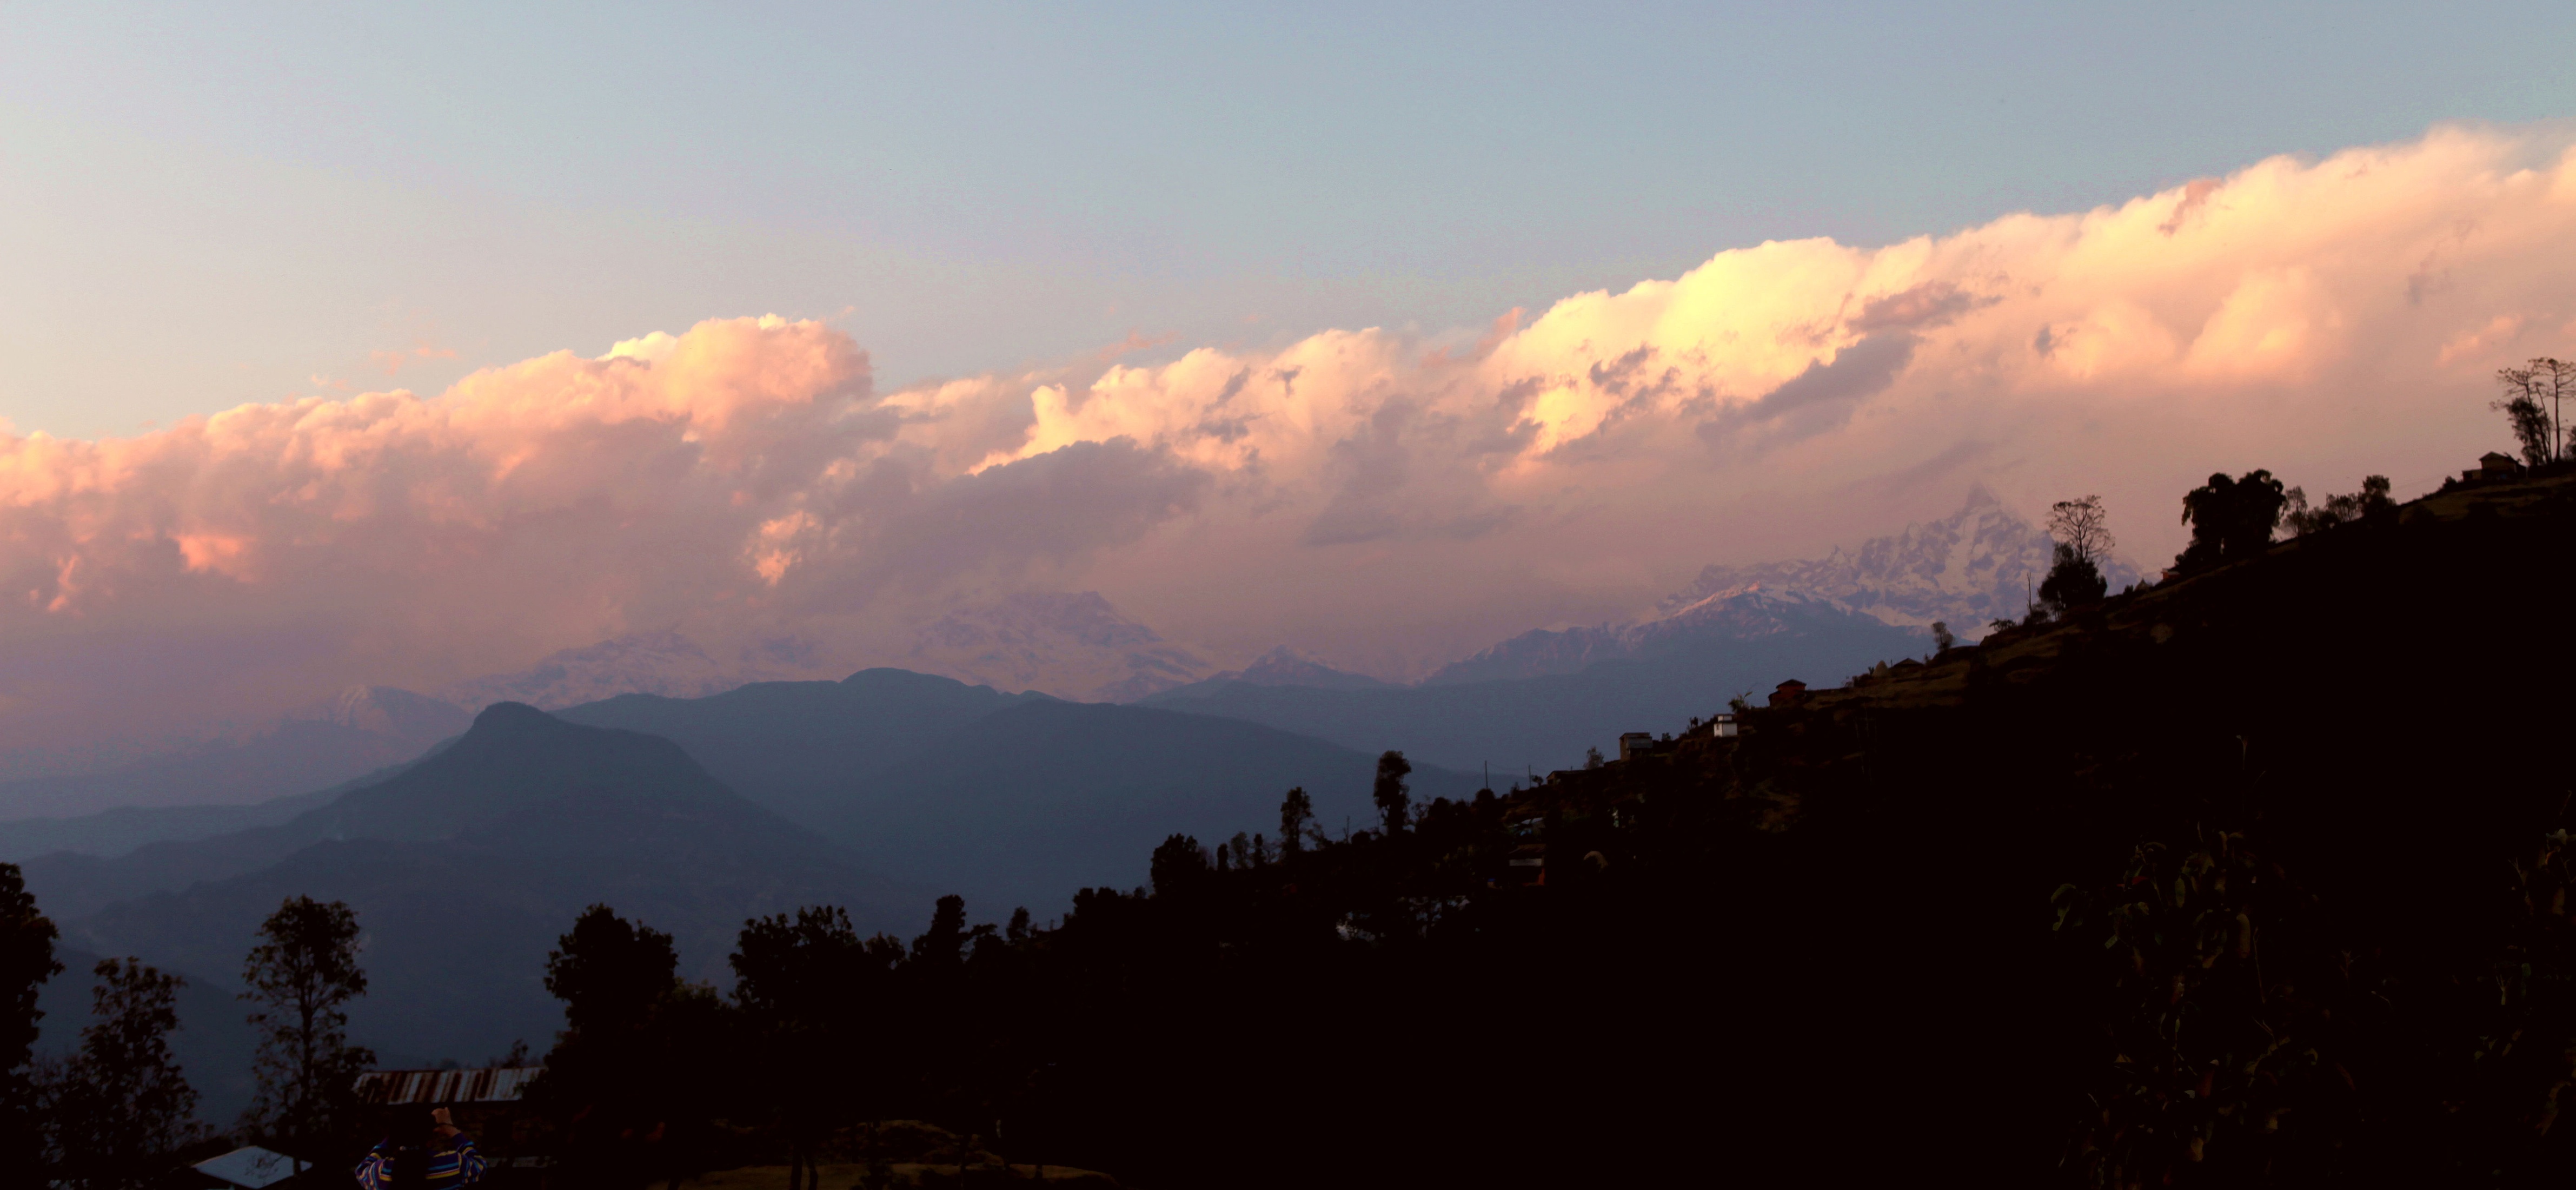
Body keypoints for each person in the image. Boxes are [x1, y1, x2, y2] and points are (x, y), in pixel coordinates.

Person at [355, 1106, 487, 1188]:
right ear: (431, 1138)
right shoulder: (453, 1164)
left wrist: (394, 1135)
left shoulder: (381, 1172)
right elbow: (480, 1166)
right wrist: (450, 1129)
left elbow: (362, 1170)